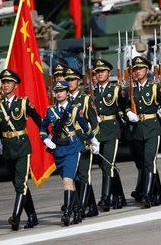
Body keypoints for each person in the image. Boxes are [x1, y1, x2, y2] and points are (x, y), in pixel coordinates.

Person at [0, 69, 41, 230]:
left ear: (15, 85)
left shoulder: (23, 103)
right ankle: (32, 216)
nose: (5, 85)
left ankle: (16, 217)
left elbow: (39, 120)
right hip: (8, 148)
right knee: (19, 184)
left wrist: (47, 136)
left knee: (21, 182)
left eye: (8, 82)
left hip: (22, 146)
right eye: (3, 82)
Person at [40, 81, 100, 226]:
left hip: (73, 148)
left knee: (67, 179)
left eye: (62, 91)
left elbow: (85, 126)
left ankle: (67, 212)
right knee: (69, 181)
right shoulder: (50, 111)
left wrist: (94, 140)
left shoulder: (73, 109)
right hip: (58, 149)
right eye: (57, 91)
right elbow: (42, 128)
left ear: (67, 92)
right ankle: (76, 210)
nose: (59, 93)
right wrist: (45, 140)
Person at [126, 56, 161, 208]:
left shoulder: (155, 87)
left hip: (152, 128)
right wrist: (127, 113)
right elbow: (124, 106)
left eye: (140, 69)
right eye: (135, 69)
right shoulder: (131, 89)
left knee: (149, 160)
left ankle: (148, 195)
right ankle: (158, 195)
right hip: (138, 130)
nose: (137, 72)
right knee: (144, 163)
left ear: (147, 70)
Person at [64, 68, 100, 217]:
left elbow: (95, 123)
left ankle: (82, 207)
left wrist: (92, 140)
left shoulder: (85, 99)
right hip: (70, 144)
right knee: (75, 176)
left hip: (84, 142)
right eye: (68, 80)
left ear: (79, 81)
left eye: (73, 80)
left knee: (84, 175)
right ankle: (91, 206)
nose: (70, 82)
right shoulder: (64, 101)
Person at [93, 59, 127, 212]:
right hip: (99, 131)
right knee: (106, 166)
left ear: (108, 73)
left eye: (102, 71)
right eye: (97, 72)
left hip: (112, 130)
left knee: (108, 165)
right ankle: (119, 196)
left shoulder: (116, 89)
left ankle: (105, 198)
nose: (100, 74)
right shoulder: (94, 91)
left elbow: (123, 106)